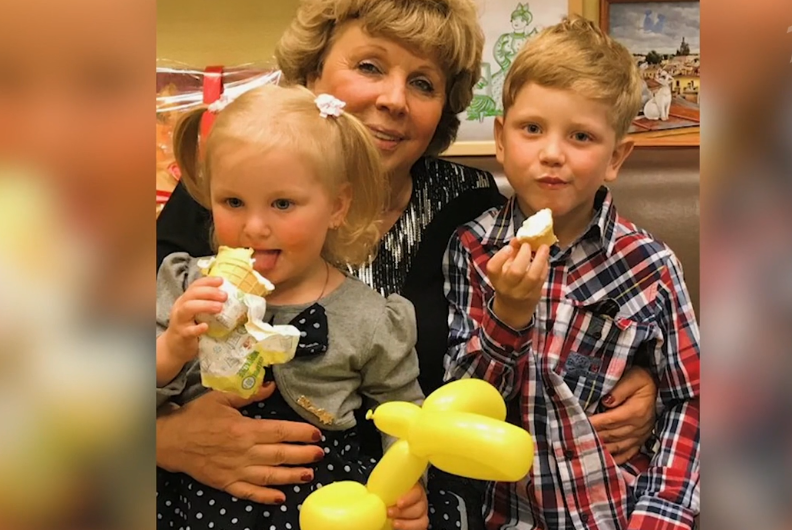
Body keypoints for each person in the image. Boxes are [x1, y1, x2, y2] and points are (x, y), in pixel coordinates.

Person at [156, 0, 659, 526]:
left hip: (396, 491)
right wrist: (165, 438)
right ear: (312, 73)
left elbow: (528, 330)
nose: (394, 99)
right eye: (369, 66)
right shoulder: (231, 186)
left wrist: (629, 376)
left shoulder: (470, 204)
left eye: (422, 83)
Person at [443, 17, 700, 529]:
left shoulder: (649, 265)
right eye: (532, 129)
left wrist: (660, 516)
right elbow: (463, 407)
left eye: (581, 136)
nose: (552, 153)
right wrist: (508, 314)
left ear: (615, 157)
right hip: (504, 516)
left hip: (616, 512)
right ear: (501, 139)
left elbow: (691, 402)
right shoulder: (471, 248)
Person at [157, 84, 443, 530]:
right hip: (191, 499)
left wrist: (408, 484)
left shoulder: (369, 316)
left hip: (322, 501)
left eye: (282, 204)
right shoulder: (185, 286)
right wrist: (173, 348)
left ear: (337, 206)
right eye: (233, 202)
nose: (254, 226)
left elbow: (402, 410)